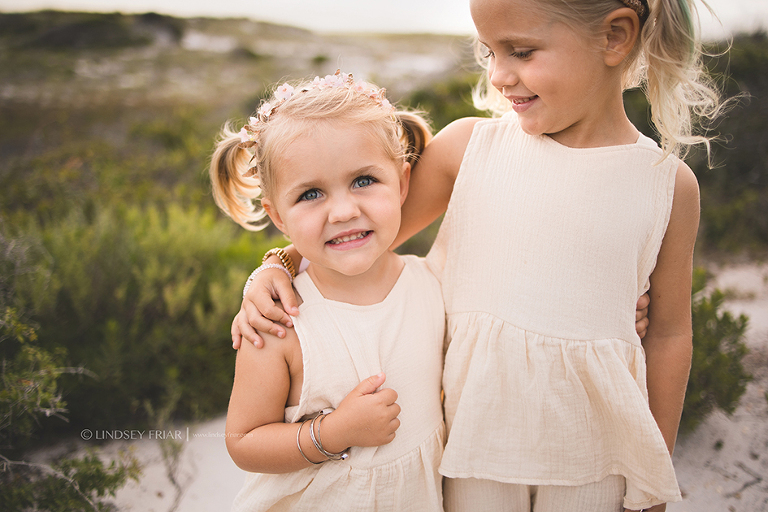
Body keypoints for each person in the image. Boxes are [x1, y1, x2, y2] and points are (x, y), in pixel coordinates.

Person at [232, 0, 725, 509]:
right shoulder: (469, 149)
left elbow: (669, 335)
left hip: (594, 448)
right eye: (489, 51)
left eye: (520, 51)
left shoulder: (666, 185)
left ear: (615, 37)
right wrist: (278, 265)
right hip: (474, 440)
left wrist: (654, 471)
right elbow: (361, 232)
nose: (498, 75)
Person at [212, 72, 445, 511]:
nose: (342, 211)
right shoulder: (280, 321)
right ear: (277, 216)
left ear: (403, 182)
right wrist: (333, 432)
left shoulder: (430, 282)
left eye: (363, 180)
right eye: (311, 193)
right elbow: (243, 441)